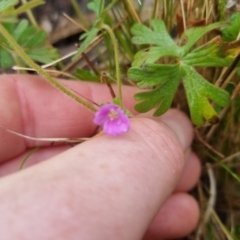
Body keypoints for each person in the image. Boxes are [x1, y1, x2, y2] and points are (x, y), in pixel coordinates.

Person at [0, 74, 201, 240]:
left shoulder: (115, 117)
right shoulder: (108, 116)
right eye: (111, 113)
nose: (113, 115)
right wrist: (162, 139)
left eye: (115, 113)